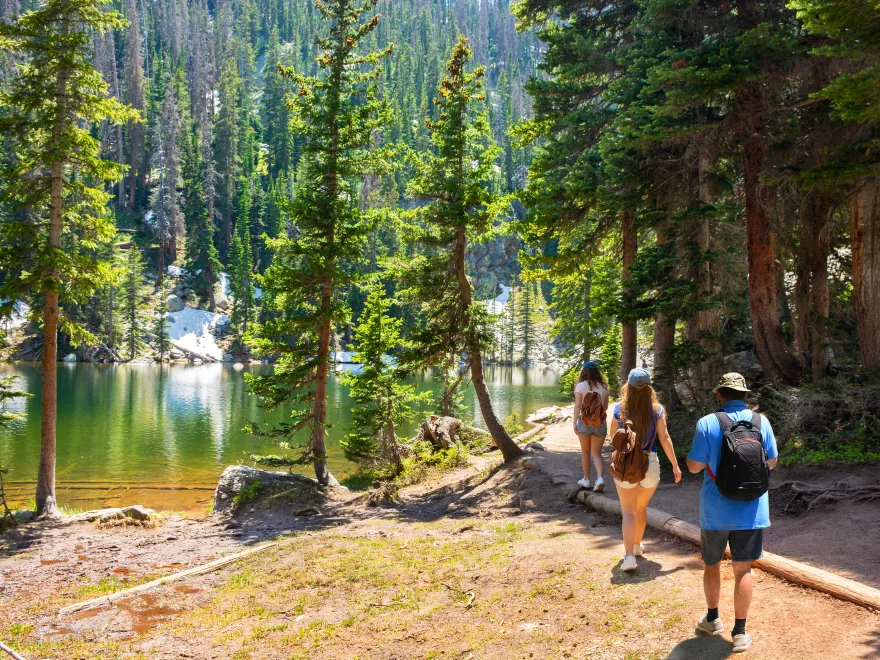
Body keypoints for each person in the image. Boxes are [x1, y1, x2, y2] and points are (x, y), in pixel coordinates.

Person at [686, 372, 778, 654]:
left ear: (719, 394)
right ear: (745, 396)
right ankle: (740, 632)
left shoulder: (707, 422)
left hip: (715, 510)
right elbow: (771, 463)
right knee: (743, 569)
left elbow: (693, 467)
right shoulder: (762, 422)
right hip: (752, 509)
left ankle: (713, 619)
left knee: (712, 564)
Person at [608, 368, 682, 572]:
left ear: (628, 387)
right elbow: (664, 438)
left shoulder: (619, 409)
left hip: (626, 465)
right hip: (650, 463)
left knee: (628, 512)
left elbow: (612, 435)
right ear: (649, 387)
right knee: (640, 509)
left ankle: (629, 557)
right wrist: (675, 465)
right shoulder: (657, 410)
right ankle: (637, 546)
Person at [572, 360, 610, 492]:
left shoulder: (580, 386)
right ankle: (600, 479)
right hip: (600, 423)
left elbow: (578, 406)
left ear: (584, 372)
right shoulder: (604, 387)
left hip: (584, 423)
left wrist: (574, 423)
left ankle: (586, 480)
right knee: (597, 453)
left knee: (586, 452)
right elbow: (605, 407)